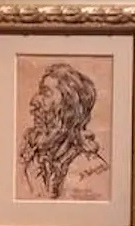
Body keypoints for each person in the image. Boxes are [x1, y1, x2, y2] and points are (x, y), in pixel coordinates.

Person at [19, 62, 109, 200]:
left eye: (46, 93)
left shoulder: (93, 171)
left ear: (69, 110)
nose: (34, 101)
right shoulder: (31, 165)